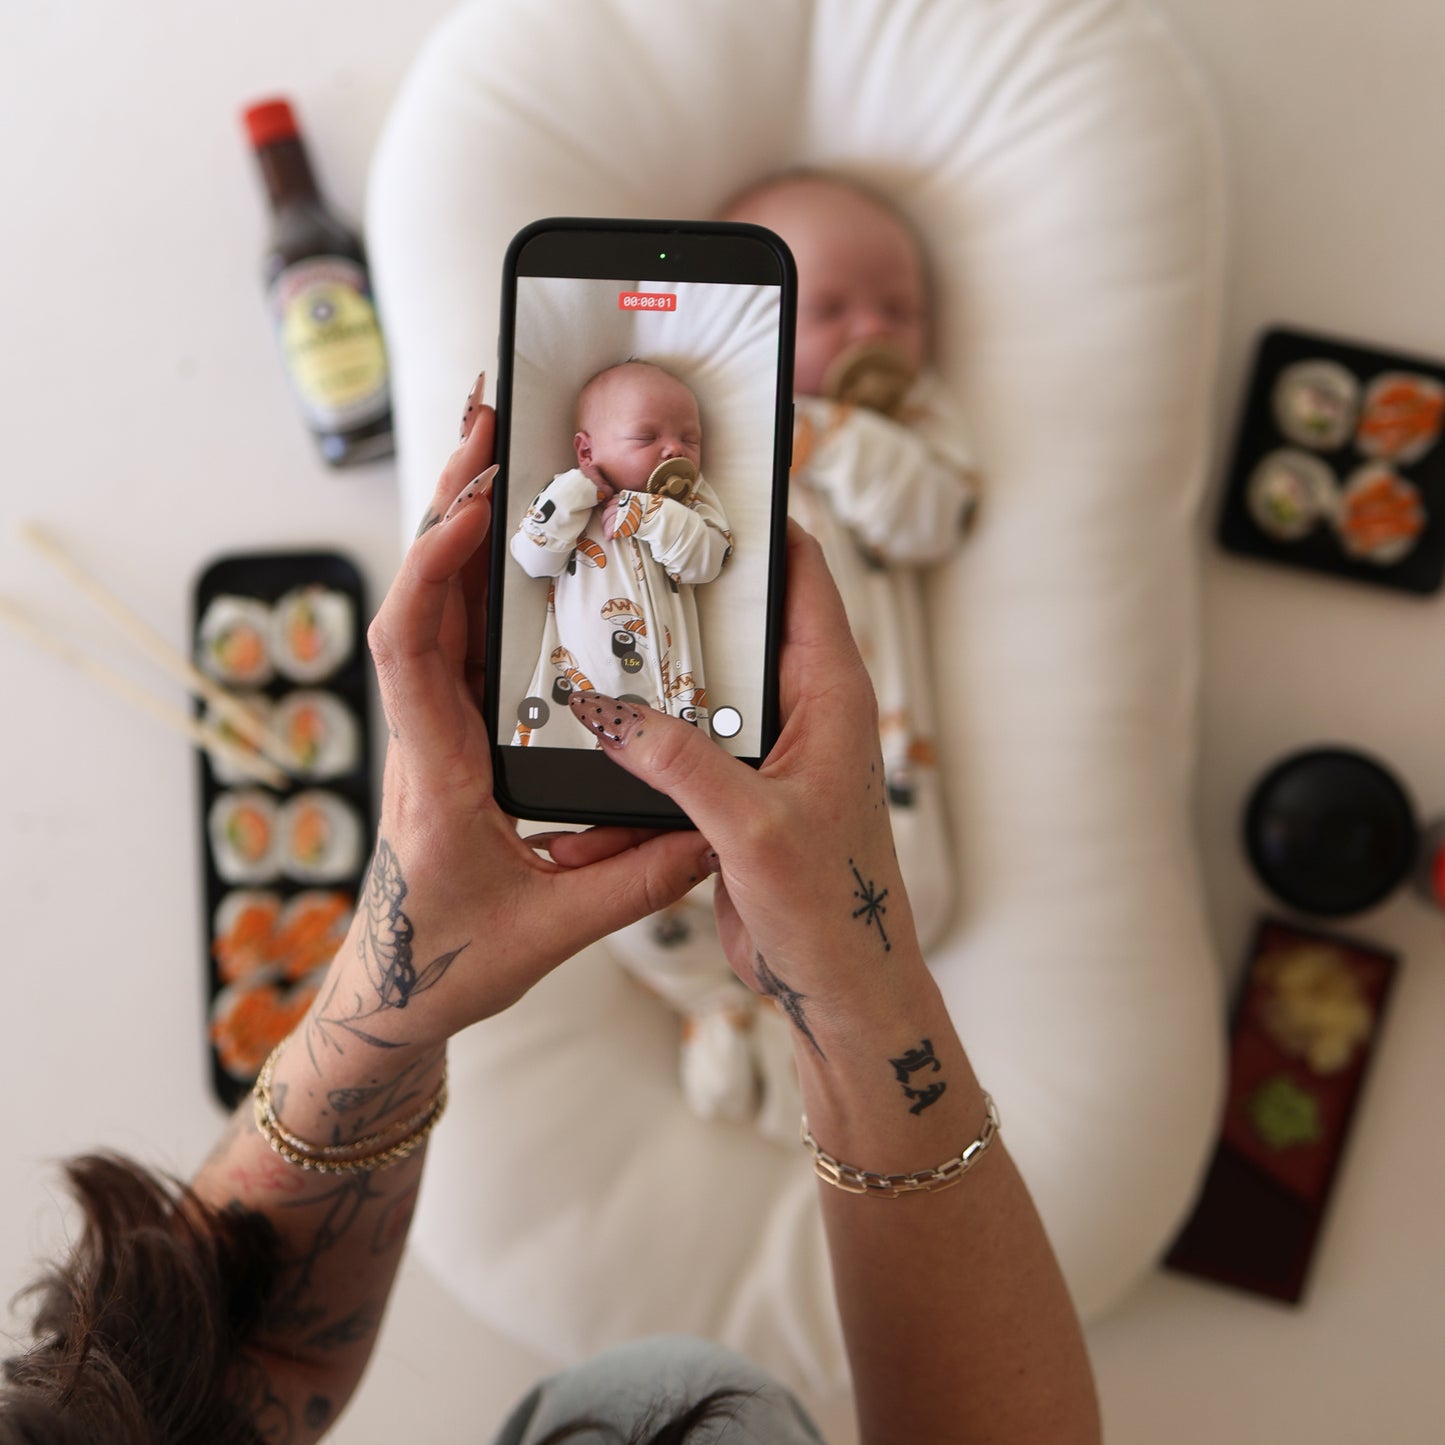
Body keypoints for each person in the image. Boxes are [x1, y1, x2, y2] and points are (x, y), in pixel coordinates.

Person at [0, 385, 1099, 1443]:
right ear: (584, 440)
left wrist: (387, 992)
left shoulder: (689, 509)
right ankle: (719, 1015)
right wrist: (862, 984)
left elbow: (214, 1367)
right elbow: (530, 548)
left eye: (678, 423)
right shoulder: (574, 505)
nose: (665, 437)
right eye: (640, 425)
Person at [610, 171, 981, 1137]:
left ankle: (826, 1021)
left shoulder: (897, 431)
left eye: (899, 309)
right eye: (830, 309)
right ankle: (715, 1004)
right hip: (701, 714)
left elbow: (936, 516)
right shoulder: (703, 419)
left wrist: (827, 430)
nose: (871, 333)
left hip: (859, 741)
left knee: (907, 894)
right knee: (643, 885)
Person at [509, 359, 731, 745]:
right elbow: (532, 558)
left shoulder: (689, 504)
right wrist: (576, 491)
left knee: (681, 768)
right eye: (646, 438)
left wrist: (655, 516)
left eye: (690, 440)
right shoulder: (570, 499)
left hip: (672, 697)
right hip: (576, 688)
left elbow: (707, 563)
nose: (674, 448)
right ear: (586, 450)